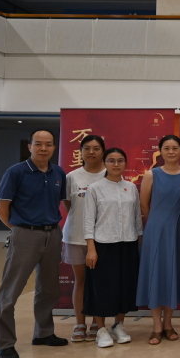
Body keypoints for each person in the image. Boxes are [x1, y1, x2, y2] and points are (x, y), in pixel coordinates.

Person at [0, 129, 69, 358]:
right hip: (25, 234)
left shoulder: (58, 173)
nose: (43, 148)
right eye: (38, 144)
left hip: (52, 234)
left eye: (48, 144)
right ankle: (5, 343)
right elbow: (1, 209)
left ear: (54, 147)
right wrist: (19, 229)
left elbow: (60, 203)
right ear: (30, 147)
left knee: (49, 289)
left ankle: (44, 333)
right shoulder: (16, 172)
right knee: (11, 291)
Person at [136, 135, 180, 345]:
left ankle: (168, 324)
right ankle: (156, 326)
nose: (171, 152)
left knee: (172, 275)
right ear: (160, 151)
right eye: (167, 148)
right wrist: (158, 221)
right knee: (156, 275)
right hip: (155, 232)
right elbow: (144, 205)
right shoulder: (151, 174)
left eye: (175, 148)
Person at [83, 148, 142, 348]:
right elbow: (88, 220)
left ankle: (119, 325)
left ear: (125, 163)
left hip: (128, 244)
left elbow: (137, 217)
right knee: (102, 287)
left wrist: (138, 242)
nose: (116, 164)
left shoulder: (131, 188)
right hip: (103, 245)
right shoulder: (95, 188)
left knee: (124, 287)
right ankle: (101, 329)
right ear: (104, 163)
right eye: (111, 160)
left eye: (120, 160)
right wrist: (91, 248)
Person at [61, 134, 106, 343]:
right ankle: (80, 323)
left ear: (103, 151)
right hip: (76, 236)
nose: (91, 152)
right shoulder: (72, 177)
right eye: (87, 148)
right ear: (80, 152)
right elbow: (69, 206)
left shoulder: (109, 174)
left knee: (99, 281)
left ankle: (97, 322)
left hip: (103, 238)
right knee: (80, 280)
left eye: (96, 148)